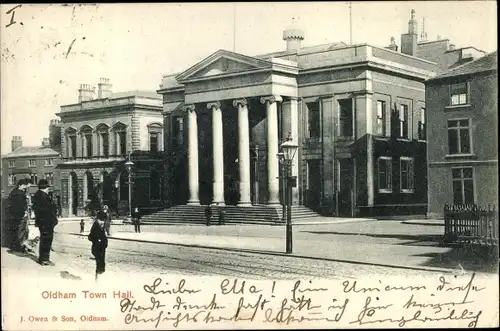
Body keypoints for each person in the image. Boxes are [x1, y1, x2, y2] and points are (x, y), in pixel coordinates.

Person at [33, 179, 58, 265]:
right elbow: (48, 210)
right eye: (47, 187)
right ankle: (44, 259)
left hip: (43, 222)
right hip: (46, 223)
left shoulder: (38, 195)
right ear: (45, 187)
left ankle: (43, 259)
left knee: (45, 240)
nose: (48, 189)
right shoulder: (43, 197)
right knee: (46, 240)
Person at [7, 178, 31, 252]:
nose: (25, 187)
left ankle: (22, 245)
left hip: (16, 214)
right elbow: (19, 205)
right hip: (20, 215)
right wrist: (24, 213)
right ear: (20, 185)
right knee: (21, 231)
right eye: (24, 185)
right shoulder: (19, 194)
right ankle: (20, 247)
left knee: (23, 230)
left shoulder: (15, 192)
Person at [88, 210, 108, 280]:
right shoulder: (95, 225)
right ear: (98, 219)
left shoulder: (102, 227)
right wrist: (97, 240)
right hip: (96, 248)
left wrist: (105, 243)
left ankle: (99, 278)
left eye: (103, 220)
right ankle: (97, 279)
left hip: (102, 248)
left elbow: (104, 237)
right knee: (99, 264)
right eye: (101, 220)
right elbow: (90, 237)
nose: (103, 222)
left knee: (102, 265)